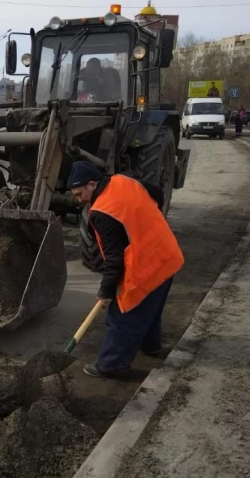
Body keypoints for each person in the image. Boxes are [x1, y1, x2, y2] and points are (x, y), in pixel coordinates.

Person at [68, 161, 184, 378]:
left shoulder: (102, 212)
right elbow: (156, 192)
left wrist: (105, 293)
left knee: (122, 316)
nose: (78, 199)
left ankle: (111, 365)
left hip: (147, 267)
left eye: (79, 193)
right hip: (168, 253)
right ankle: (151, 347)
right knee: (151, 307)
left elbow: (114, 260)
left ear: (92, 185)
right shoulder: (122, 181)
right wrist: (148, 219)